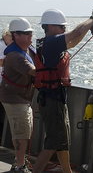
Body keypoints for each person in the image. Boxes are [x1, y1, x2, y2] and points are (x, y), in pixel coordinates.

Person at [32, 7, 93, 173]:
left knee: (62, 141)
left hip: (55, 99)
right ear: (49, 26)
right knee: (54, 141)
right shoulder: (51, 42)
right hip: (52, 100)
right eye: (61, 26)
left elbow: (74, 41)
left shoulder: (50, 44)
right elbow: (75, 33)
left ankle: (67, 171)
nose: (63, 29)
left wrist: (86, 29)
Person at [0, 18, 36, 173]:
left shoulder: (27, 50)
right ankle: (20, 166)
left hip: (22, 98)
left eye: (31, 33)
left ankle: (19, 162)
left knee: (23, 131)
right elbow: (34, 71)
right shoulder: (15, 55)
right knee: (21, 133)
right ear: (16, 35)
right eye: (26, 34)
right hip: (14, 99)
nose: (30, 36)